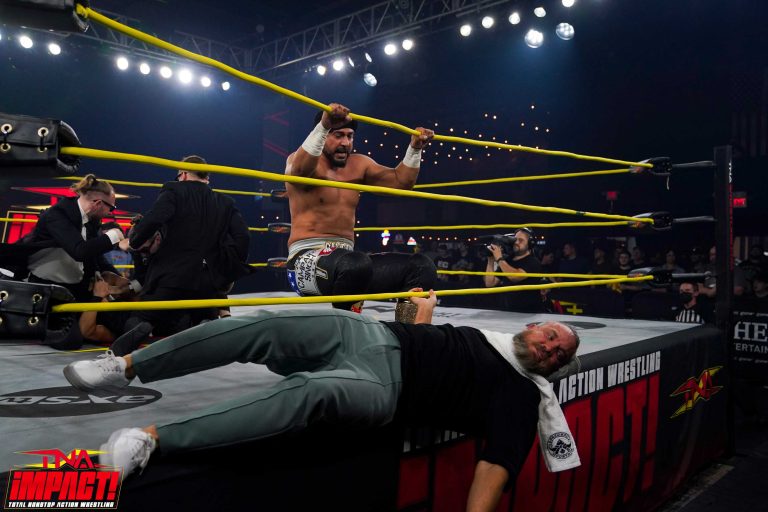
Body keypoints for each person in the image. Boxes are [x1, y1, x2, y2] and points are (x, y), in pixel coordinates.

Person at [62, 290, 580, 511]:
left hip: (388, 387)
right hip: (370, 333)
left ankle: (150, 440)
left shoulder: (522, 394)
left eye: (560, 355)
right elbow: (432, 341)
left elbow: (496, 468)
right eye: (553, 336)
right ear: (536, 326)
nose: (552, 349)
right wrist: (420, 313)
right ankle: (123, 367)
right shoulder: (490, 337)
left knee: (311, 394)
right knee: (263, 325)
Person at [284, 103, 437, 313]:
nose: (345, 143)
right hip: (306, 261)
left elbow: (401, 183)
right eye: (338, 135)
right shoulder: (299, 161)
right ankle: (348, 328)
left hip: (351, 264)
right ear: (323, 134)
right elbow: (299, 172)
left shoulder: (359, 164)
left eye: (350, 136)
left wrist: (415, 149)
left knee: (421, 266)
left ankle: (406, 329)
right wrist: (324, 124)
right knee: (356, 263)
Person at [109, 155, 252, 356]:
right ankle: (207, 321)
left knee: (144, 316)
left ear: (183, 174)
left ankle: (116, 356)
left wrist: (133, 242)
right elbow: (243, 237)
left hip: (172, 276)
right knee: (202, 312)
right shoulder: (224, 201)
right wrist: (226, 269)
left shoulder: (174, 190)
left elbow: (154, 219)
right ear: (206, 177)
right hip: (206, 281)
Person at [17, 174, 126, 301]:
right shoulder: (57, 214)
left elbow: (94, 254)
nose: (109, 213)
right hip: (45, 287)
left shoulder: (92, 219)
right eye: (111, 208)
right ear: (98, 203)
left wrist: (116, 277)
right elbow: (79, 251)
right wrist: (114, 235)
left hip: (76, 286)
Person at [484, 229, 543, 313]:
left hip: (529, 313)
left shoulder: (533, 262)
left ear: (530, 244)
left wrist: (499, 258)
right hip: (509, 312)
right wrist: (490, 260)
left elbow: (515, 276)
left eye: (521, 240)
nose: (516, 242)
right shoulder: (508, 261)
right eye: (515, 239)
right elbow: (490, 283)